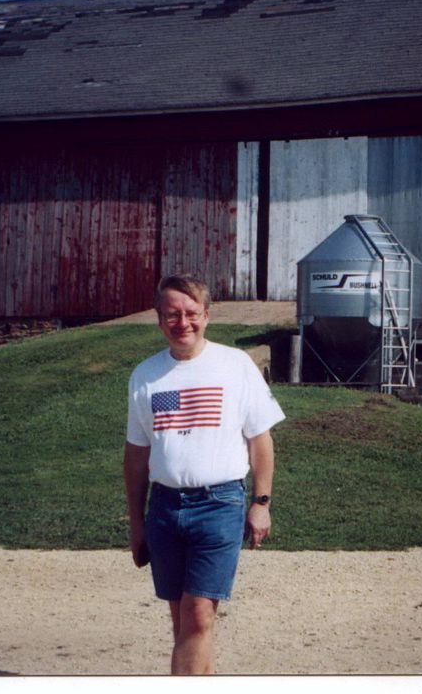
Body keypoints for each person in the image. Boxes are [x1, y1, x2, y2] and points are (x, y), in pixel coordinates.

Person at [123, 274, 285, 675]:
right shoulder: (145, 376)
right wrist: (137, 523)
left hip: (219, 505)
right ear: (160, 319)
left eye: (191, 313)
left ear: (207, 316)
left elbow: (260, 441)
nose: (183, 323)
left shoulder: (235, 365)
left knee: (197, 618)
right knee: (184, 623)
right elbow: (136, 456)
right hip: (164, 508)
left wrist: (261, 503)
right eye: (172, 314)